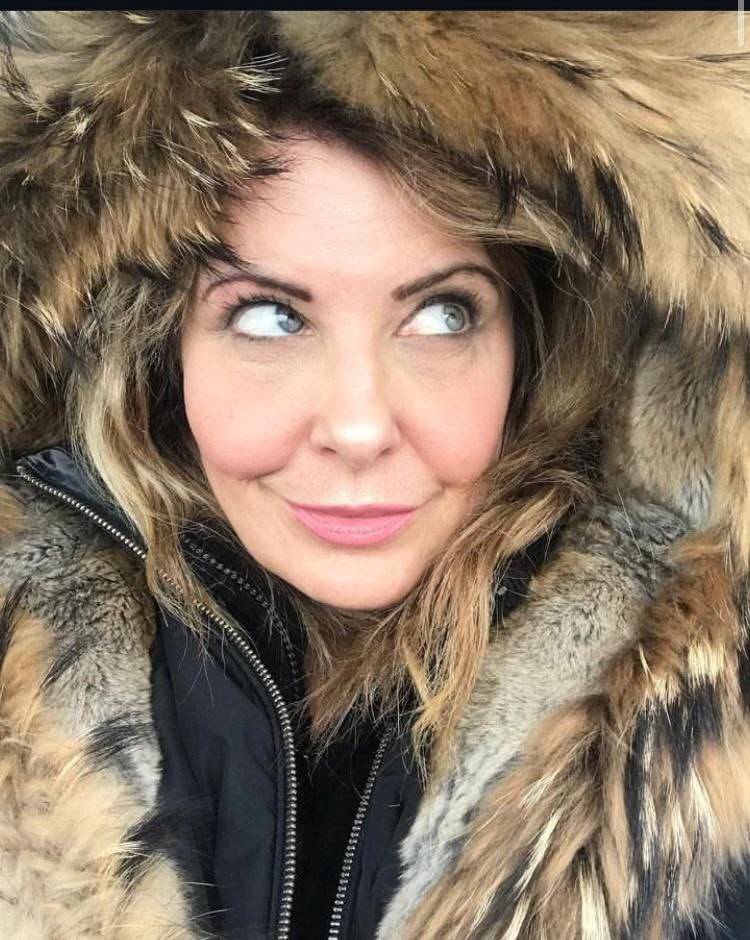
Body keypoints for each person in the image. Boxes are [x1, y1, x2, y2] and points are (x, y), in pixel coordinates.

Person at [0, 9, 748, 940]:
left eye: (442, 314)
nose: (358, 428)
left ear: (534, 349)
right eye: (269, 317)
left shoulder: (713, 780)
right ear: (155, 357)